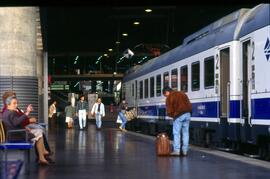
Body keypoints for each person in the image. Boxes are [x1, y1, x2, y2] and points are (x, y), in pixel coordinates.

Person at [1, 91, 53, 159]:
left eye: (16, 102)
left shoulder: (9, 111)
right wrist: (27, 113)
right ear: (8, 102)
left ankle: (42, 155)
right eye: (14, 102)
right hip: (17, 134)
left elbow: (16, 122)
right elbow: (16, 122)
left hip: (17, 131)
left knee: (39, 131)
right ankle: (42, 155)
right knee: (39, 132)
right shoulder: (10, 112)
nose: (16, 105)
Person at [162, 86, 192, 156]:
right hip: (187, 114)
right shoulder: (183, 93)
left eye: (165, 95)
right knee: (185, 133)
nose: (166, 96)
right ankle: (185, 151)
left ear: (167, 92)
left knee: (176, 133)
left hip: (179, 115)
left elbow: (169, 110)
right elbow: (190, 105)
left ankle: (177, 151)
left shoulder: (170, 97)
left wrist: (173, 116)